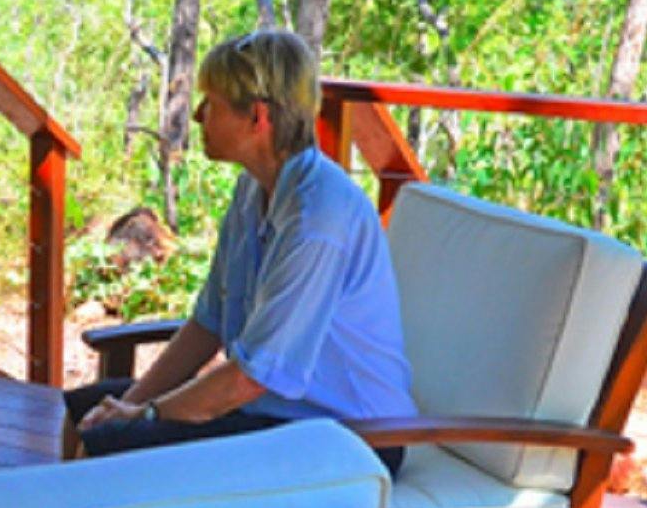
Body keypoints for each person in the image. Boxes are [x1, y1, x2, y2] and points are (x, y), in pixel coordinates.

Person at [66, 28, 414, 472]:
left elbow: (252, 377)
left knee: (111, 446)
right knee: (85, 416)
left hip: (352, 436)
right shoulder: (255, 189)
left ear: (258, 117)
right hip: (279, 412)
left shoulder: (318, 217)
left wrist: (146, 416)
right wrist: (125, 405)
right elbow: (207, 323)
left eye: (210, 103)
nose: (196, 114)